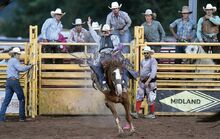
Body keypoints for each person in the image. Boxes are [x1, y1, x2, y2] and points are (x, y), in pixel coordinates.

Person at [0, 47, 32, 122]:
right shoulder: (15, 60)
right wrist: (29, 66)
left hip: (8, 81)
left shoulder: (10, 61)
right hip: (14, 82)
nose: (19, 56)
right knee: (22, 98)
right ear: (15, 54)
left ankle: (1, 117)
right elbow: (20, 69)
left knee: (6, 100)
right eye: (18, 54)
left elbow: (17, 69)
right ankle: (22, 117)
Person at [131, 46, 157, 119]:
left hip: (150, 82)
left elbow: (153, 72)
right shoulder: (142, 61)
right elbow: (142, 71)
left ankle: (152, 114)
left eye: (147, 53)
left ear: (150, 53)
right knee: (139, 96)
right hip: (143, 81)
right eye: (144, 53)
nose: (145, 54)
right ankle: (136, 112)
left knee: (151, 97)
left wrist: (148, 81)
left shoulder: (153, 61)